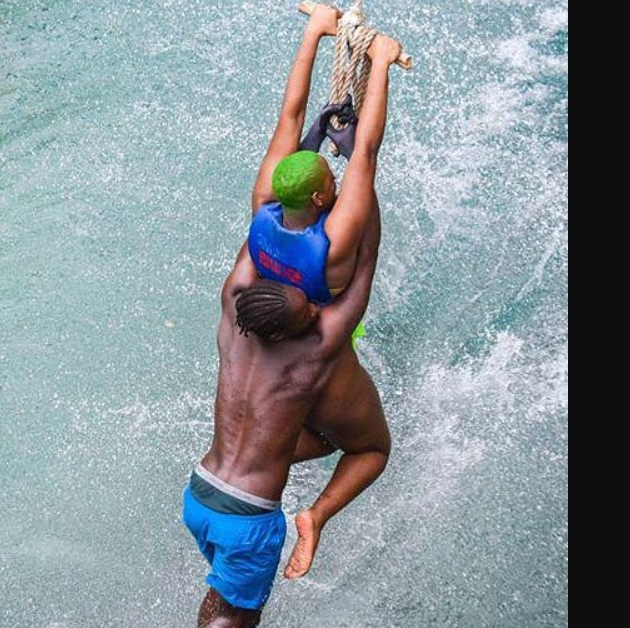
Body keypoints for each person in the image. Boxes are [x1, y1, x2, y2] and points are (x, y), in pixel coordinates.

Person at [180, 8, 403, 625]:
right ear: (306, 323)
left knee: (224, 596)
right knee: (233, 618)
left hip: (201, 493)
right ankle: (315, 519)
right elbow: (364, 252)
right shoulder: (315, 351)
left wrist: (315, 32)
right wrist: (379, 68)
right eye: (311, 309)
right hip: (247, 513)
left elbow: (282, 138)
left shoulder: (234, 306)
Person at [247, 5, 399, 306]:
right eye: (332, 180)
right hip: (316, 313)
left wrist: (314, 30)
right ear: (318, 198)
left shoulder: (264, 201)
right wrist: (381, 63)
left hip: (274, 299)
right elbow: (366, 153)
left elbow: (290, 117)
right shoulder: (333, 242)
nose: (336, 179)